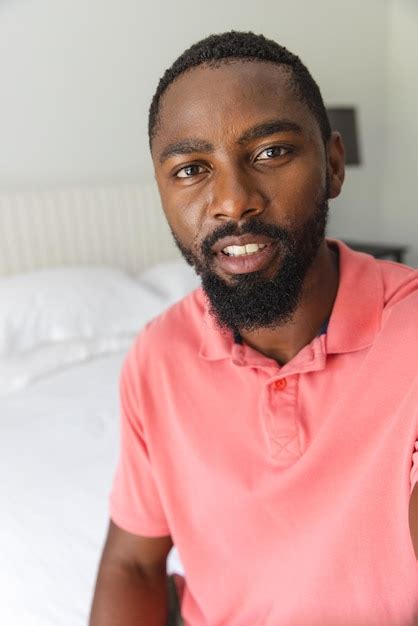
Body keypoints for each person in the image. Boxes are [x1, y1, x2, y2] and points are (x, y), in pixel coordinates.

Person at [89, 31, 418, 626]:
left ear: (334, 165)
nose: (233, 202)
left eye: (270, 152)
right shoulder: (156, 356)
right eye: (192, 168)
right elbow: (133, 567)